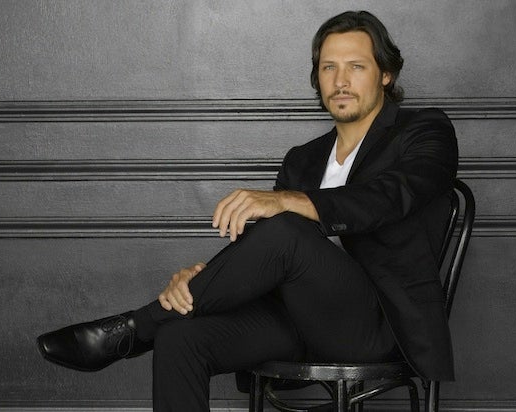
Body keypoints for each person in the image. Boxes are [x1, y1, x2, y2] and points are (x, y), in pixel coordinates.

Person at [37, 10, 458, 411]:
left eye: (356, 66)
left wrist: (290, 201)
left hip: (378, 325)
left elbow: (391, 197)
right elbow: (266, 255)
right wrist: (197, 284)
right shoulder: (303, 159)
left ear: (386, 74)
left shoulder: (424, 130)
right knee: (180, 336)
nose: (340, 80)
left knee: (288, 228)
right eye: (328, 67)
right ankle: (160, 320)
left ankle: (135, 328)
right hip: (297, 320)